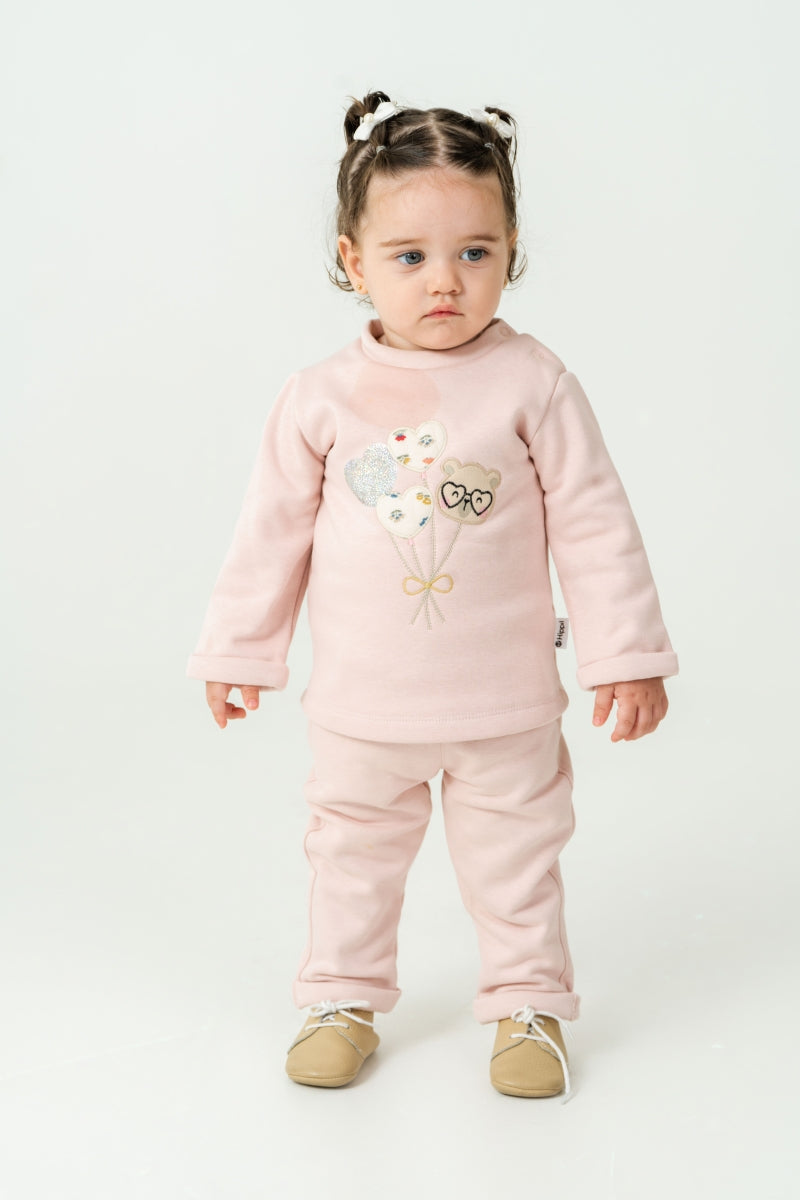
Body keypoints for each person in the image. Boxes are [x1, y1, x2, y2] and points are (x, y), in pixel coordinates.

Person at [186, 92, 678, 1100]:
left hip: (505, 708)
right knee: (350, 859)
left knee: (518, 861)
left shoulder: (534, 383)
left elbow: (595, 524)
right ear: (353, 260)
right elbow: (270, 533)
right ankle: (341, 996)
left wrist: (624, 654)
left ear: (510, 253)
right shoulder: (321, 396)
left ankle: (529, 1003)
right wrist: (239, 649)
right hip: (362, 710)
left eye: (474, 252)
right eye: (409, 255)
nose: (444, 280)